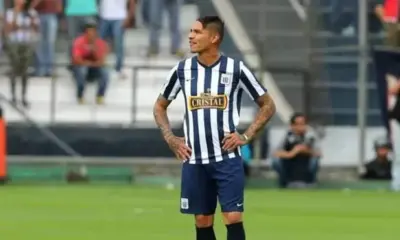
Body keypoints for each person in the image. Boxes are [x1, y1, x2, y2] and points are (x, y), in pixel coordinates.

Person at [153, 16, 276, 240]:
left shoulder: (235, 69)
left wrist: (246, 135)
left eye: (197, 32)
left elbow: (268, 104)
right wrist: (170, 137)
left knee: (233, 217)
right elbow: (160, 107)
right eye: (190, 31)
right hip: (194, 159)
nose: (190, 36)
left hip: (226, 158)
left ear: (214, 37)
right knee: (202, 220)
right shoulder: (182, 70)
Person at [4, 0, 39, 107]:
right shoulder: (10, 13)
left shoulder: (32, 13)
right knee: (14, 70)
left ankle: (24, 97)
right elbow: (9, 29)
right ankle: (13, 97)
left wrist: (30, 21)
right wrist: (16, 15)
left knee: (25, 72)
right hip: (14, 43)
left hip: (27, 43)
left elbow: (36, 28)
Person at [272, 113, 321, 188]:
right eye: (297, 124)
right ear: (292, 125)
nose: (300, 127)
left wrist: (304, 151)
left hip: (305, 164)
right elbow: (276, 153)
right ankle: (283, 182)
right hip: (290, 164)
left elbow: (318, 153)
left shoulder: (311, 136)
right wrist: (291, 153)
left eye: (302, 124)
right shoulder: (287, 136)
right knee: (276, 161)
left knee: (314, 161)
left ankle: (311, 181)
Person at [72, 21, 109, 105]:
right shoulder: (79, 42)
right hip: (82, 66)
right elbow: (76, 59)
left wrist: (94, 49)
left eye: (93, 32)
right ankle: (80, 96)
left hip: (94, 67)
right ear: (85, 32)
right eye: (89, 32)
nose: (91, 34)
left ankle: (100, 96)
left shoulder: (100, 43)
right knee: (82, 71)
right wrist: (88, 63)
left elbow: (102, 61)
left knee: (105, 73)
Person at [98, 0, 135, 79]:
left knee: (118, 44)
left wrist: (129, 16)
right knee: (99, 43)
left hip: (119, 17)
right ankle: (97, 67)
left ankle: (119, 68)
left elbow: (131, 1)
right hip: (104, 16)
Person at [31, 0, 62, 77]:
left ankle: (49, 69)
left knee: (50, 42)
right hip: (39, 14)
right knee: (39, 43)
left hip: (52, 14)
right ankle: (40, 69)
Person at [65, 0, 97, 65]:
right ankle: (74, 64)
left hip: (89, 10)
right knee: (73, 40)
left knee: (90, 40)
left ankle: (91, 66)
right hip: (72, 10)